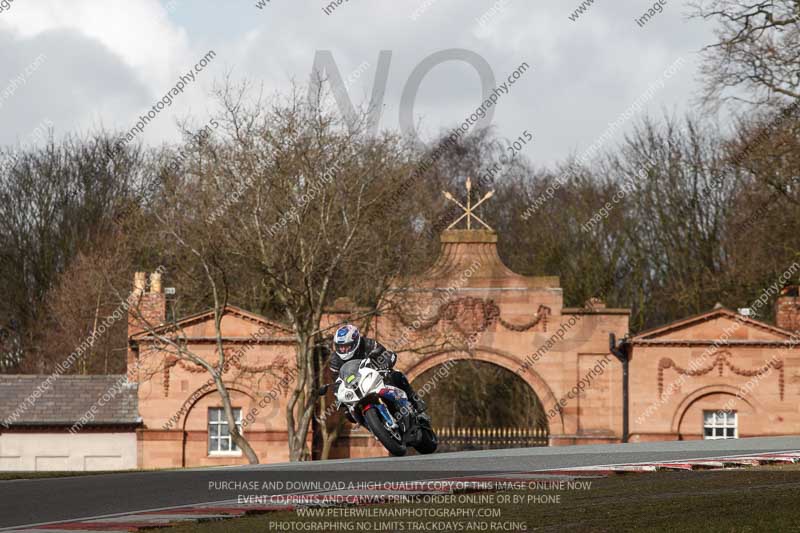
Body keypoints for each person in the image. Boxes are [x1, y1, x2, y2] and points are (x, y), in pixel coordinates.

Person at [330, 324, 429, 422]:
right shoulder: (335, 360)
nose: (342, 349)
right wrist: (338, 395)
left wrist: (386, 362)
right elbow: (336, 382)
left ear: (355, 342)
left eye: (346, 346)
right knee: (349, 415)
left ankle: (415, 401)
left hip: (376, 378)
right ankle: (376, 427)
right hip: (355, 389)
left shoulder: (368, 344)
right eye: (340, 346)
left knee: (396, 375)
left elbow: (385, 354)